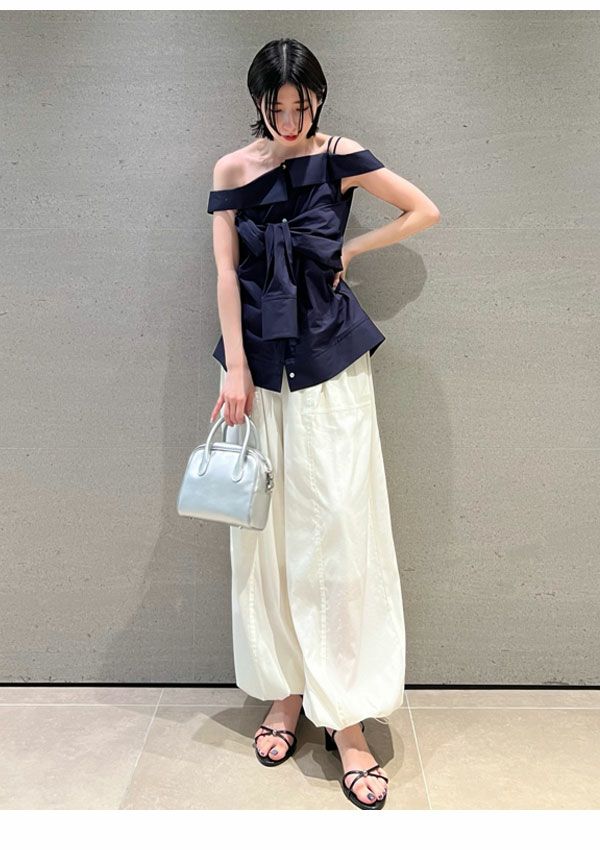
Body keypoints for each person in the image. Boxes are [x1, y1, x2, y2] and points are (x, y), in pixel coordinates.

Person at [207, 37, 440, 810]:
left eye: (301, 106)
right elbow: (224, 272)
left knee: (338, 533)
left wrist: (353, 245)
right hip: (258, 371)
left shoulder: (341, 156)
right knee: (266, 537)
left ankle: (346, 720)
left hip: (332, 363)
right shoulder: (232, 170)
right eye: (276, 107)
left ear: (318, 99)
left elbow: (423, 209)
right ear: (257, 103)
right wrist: (235, 368)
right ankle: (285, 693)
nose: (289, 120)